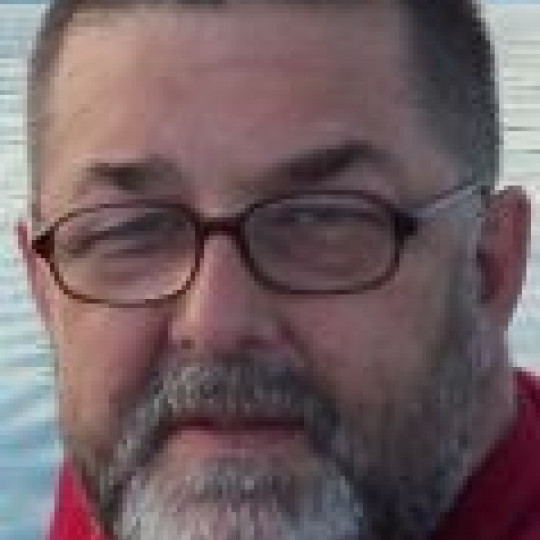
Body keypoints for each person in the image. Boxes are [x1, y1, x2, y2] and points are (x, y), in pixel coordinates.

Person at [15, 0, 539, 539]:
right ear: (44, 289)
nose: (214, 326)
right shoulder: (152, 468)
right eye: (129, 231)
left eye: (322, 220)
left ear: (488, 268)